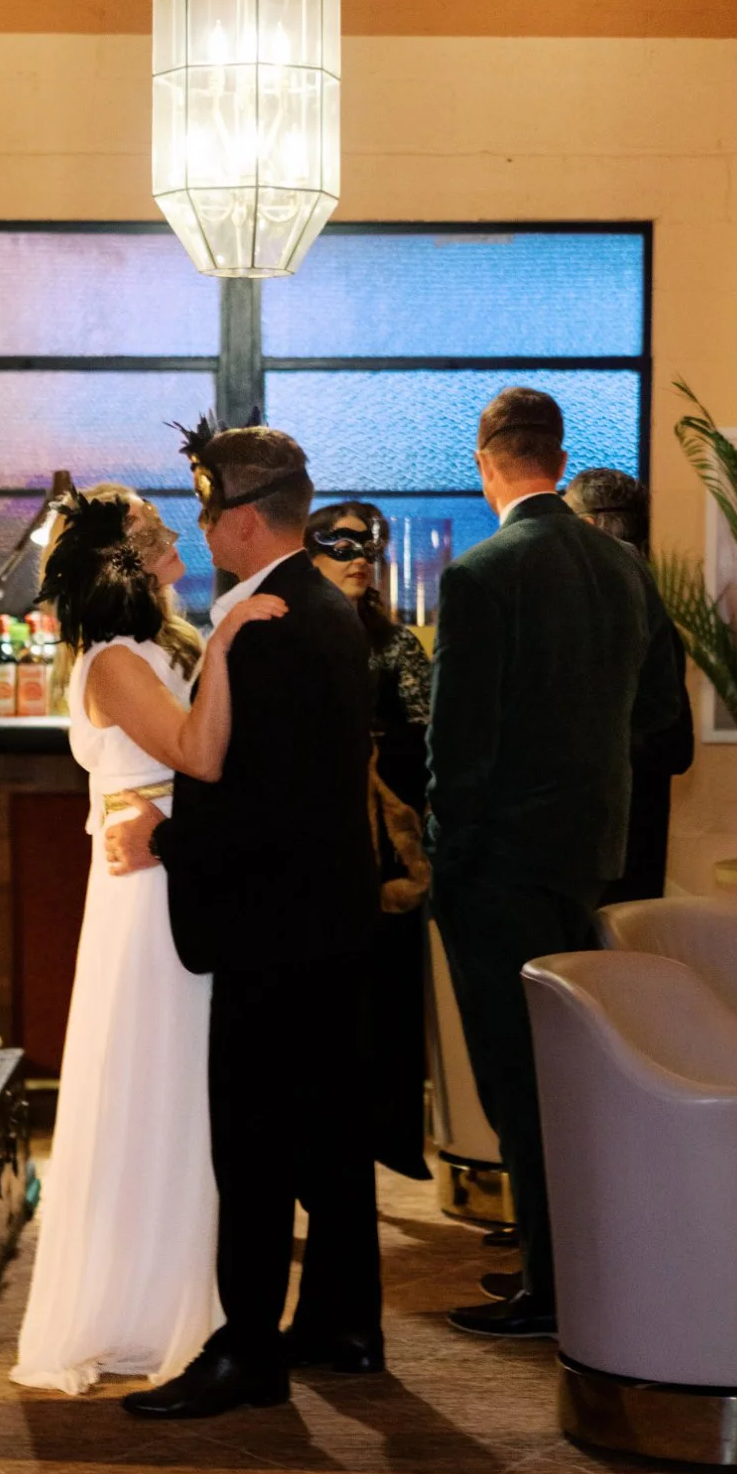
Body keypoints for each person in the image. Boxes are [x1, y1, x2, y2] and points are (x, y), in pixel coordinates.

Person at [105, 425, 384, 1420]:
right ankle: (347, 1321)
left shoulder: (264, 622)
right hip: (331, 916)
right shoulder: (325, 601)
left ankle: (248, 1351)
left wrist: (167, 842)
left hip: (275, 926)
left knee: (256, 1148)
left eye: (208, 507)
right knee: (330, 1133)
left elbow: (261, 799)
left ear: (249, 517)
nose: (199, 523)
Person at [10, 485, 286, 1395]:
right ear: (121, 560)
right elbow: (201, 757)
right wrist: (232, 639)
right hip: (149, 899)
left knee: (181, 1093)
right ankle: (145, 1305)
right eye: (155, 529)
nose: (175, 532)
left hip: (169, 877)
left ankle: (186, 1294)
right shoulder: (117, 660)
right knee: (159, 1086)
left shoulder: (148, 645)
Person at [427, 389, 684, 1338]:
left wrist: (446, 871)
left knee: (516, 1082)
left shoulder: (484, 574)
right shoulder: (623, 571)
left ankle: (551, 1287)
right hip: (595, 859)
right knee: (575, 1077)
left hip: (500, 866)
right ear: (559, 456)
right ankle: (576, 1268)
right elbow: (658, 714)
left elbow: (460, 753)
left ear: (488, 461)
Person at [307, 500, 432, 1180]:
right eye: (342, 546)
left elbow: (427, 734)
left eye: (367, 548)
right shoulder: (288, 636)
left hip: (388, 845)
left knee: (389, 989)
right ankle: (328, 1142)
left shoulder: (395, 645)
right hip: (315, 843)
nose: (358, 558)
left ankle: (392, 1133)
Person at [566, 466, 695, 904]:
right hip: (637, 849)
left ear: (585, 527)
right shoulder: (656, 616)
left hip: (598, 851)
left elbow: (674, 746)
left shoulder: (592, 621)